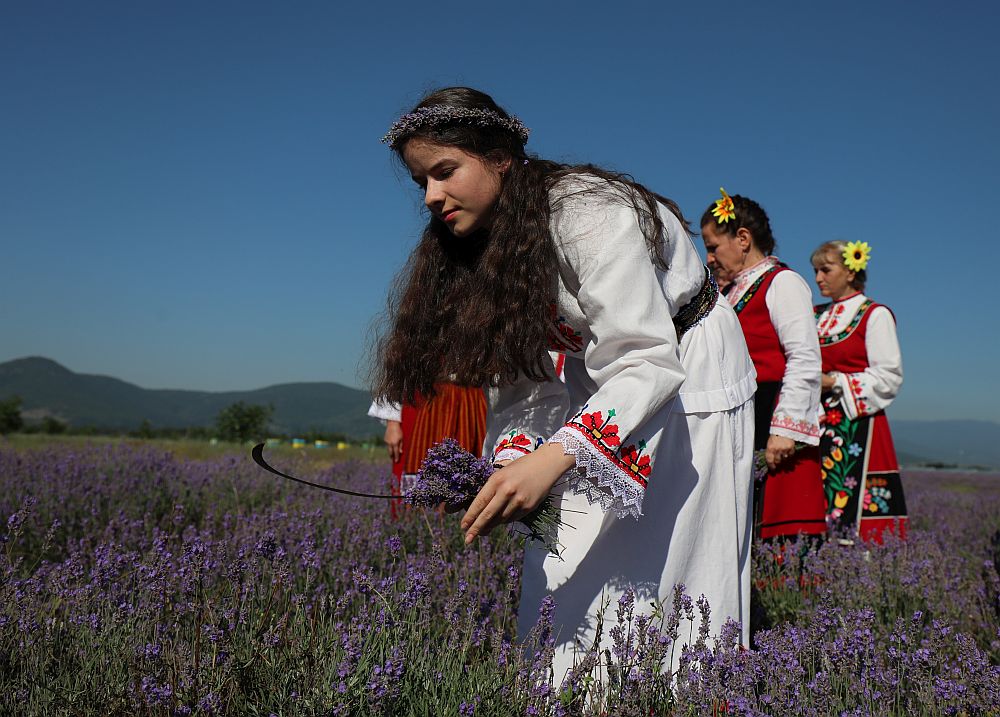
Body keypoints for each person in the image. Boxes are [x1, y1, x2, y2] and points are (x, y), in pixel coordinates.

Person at [371, 87, 757, 679]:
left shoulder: (587, 211)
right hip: (605, 371)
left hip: (687, 365)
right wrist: (515, 461)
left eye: (445, 172)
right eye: (421, 181)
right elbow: (522, 383)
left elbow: (648, 358)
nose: (431, 196)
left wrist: (556, 457)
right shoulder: (486, 247)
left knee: (679, 554)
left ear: (500, 157)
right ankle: (570, 685)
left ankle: (683, 687)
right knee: (567, 547)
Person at [701, 190, 826, 542]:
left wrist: (785, 428)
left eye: (713, 247)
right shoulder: (734, 291)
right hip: (744, 416)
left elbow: (803, 357)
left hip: (770, 415)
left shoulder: (782, 282)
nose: (709, 258)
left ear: (743, 238)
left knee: (776, 526)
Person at [812, 240, 906, 543]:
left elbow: (889, 376)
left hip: (858, 426)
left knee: (857, 514)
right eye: (815, 271)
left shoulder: (874, 315)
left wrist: (834, 382)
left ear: (850, 272)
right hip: (815, 425)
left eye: (826, 270)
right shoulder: (813, 316)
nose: (818, 278)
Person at [368, 385, 487, 517]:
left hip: (470, 405)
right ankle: (413, 527)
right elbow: (398, 367)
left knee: (473, 482)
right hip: (426, 401)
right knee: (413, 472)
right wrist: (392, 421)